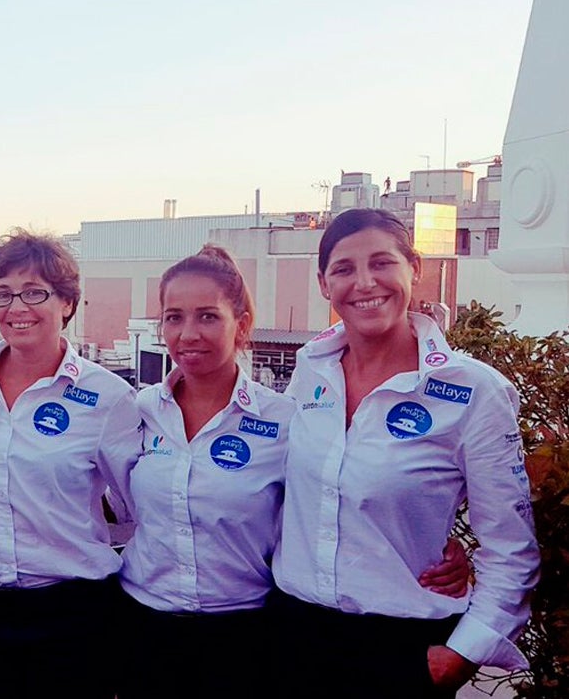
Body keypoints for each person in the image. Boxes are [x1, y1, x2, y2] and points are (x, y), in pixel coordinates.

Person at [114, 244, 470, 698]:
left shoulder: (288, 419)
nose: (188, 334)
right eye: (173, 317)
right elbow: (100, 496)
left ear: (242, 324)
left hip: (249, 637)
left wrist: (436, 548)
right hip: (143, 630)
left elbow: (340, 497)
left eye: (208, 316)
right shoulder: (138, 411)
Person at [272, 208, 540, 698]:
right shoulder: (310, 371)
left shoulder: (473, 391)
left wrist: (460, 656)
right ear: (323, 284)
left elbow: (511, 550)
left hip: (400, 651)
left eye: (382, 263)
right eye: (344, 269)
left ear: (414, 268)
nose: (365, 283)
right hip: (291, 636)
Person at [0, 230, 143, 699]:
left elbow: (142, 507)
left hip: (70, 618)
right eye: (4, 293)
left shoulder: (108, 398)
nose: (17, 307)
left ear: (67, 303)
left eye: (35, 292)